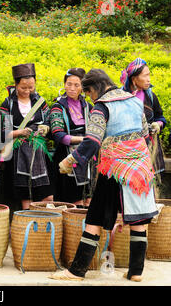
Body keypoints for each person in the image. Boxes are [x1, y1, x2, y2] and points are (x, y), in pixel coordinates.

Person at [49, 69, 158, 282]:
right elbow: (145, 136)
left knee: (95, 217)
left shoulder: (101, 107)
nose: (90, 98)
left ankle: (76, 271)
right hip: (140, 169)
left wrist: (71, 161)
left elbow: (93, 141)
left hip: (114, 169)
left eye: (88, 93)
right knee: (139, 219)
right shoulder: (135, 101)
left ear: (95, 88)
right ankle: (136, 272)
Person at [0, 63, 53, 210]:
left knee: (47, 195)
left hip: (39, 153)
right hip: (18, 155)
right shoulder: (8, 103)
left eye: (31, 87)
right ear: (15, 84)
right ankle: (27, 222)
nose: (28, 91)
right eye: (23, 87)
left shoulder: (40, 102)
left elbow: (49, 120)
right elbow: (0, 131)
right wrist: (19, 133)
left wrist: (46, 127)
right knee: (25, 195)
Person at [50, 68, 94, 207]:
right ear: (64, 84)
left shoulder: (89, 107)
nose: (72, 88)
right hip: (66, 158)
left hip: (88, 158)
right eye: (69, 84)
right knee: (74, 201)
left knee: (89, 200)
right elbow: (58, 134)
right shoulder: (58, 106)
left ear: (83, 87)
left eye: (77, 85)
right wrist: (83, 140)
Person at [120, 58, 166, 176]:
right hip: (129, 151)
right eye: (145, 76)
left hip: (150, 148)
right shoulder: (121, 97)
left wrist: (158, 124)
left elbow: (160, 117)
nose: (148, 79)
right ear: (134, 79)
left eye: (149, 75)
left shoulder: (150, 96)